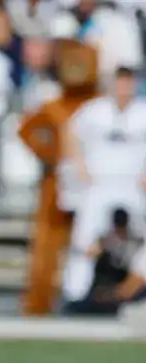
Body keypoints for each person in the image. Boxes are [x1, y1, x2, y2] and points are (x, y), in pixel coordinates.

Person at [62, 65, 146, 305]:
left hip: (134, 186)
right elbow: (69, 132)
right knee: (86, 237)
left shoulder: (142, 112)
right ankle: (75, 294)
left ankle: (132, 290)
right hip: (100, 185)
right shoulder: (94, 111)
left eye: (128, 82)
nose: (124, 88)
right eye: (120, 82)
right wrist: (79, 166)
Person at [65, 208, 146, 314]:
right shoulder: (109, 239)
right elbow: (94, 251)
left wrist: (108, 296)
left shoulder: (136, 244)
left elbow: (129, 288)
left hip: (125, 298)